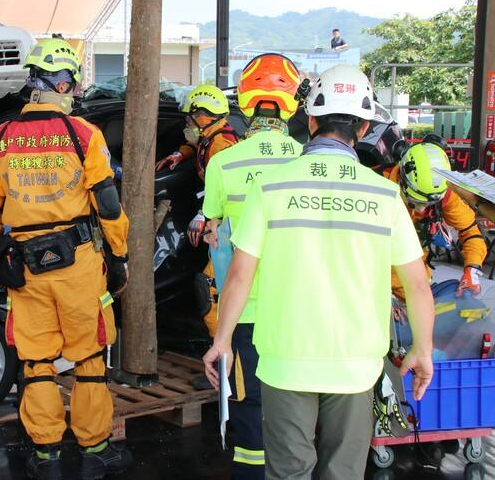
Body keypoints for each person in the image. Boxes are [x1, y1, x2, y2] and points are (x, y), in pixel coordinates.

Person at [203, 65, 435, 480]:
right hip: (356, 364)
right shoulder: (385, 195)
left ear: (310, 120)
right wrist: (423, 348)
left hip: (284, 360)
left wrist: (222, 341)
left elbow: (239, 275)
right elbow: (417, 285)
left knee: (288, 471)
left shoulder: (270, 187)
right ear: (363, 128)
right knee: (343, 472)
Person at [0, 38, 132, 480]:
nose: (74, 92)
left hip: (25, 267)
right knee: (89, 357)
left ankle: (46, 455)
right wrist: (119, 255)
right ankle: (95, 450)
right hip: (78, 265)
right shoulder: (83, 134)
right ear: (63, 84)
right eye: (73, 84)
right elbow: (108, 204)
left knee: (36, 361)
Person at [201, 52, 302, 479]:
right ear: (292, 103)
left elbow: (213, 227)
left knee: (249, 401)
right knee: (297, 403)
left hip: (243, 310)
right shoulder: (307, 161)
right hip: (300, 308)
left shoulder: (222, 163)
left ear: (244, 101)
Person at [155, 84, 239, 355]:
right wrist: (180, 154)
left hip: (227, 227)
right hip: (222, 224)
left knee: (209, 291)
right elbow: (195, 144)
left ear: (204, 117)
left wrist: (203, 215)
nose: (187, 125)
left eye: (190, 119)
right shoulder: (210, 137)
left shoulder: (222, 146)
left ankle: (224, 358)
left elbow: (223, 190)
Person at [384, 141, 486, 299]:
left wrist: (472, 269)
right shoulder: (376, 187)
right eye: (415, 202)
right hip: (377, 284)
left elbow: (470, 231)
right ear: (402, 180)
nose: (421, 210)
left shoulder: (444, 193)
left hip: (418, 285)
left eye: (428, 204)